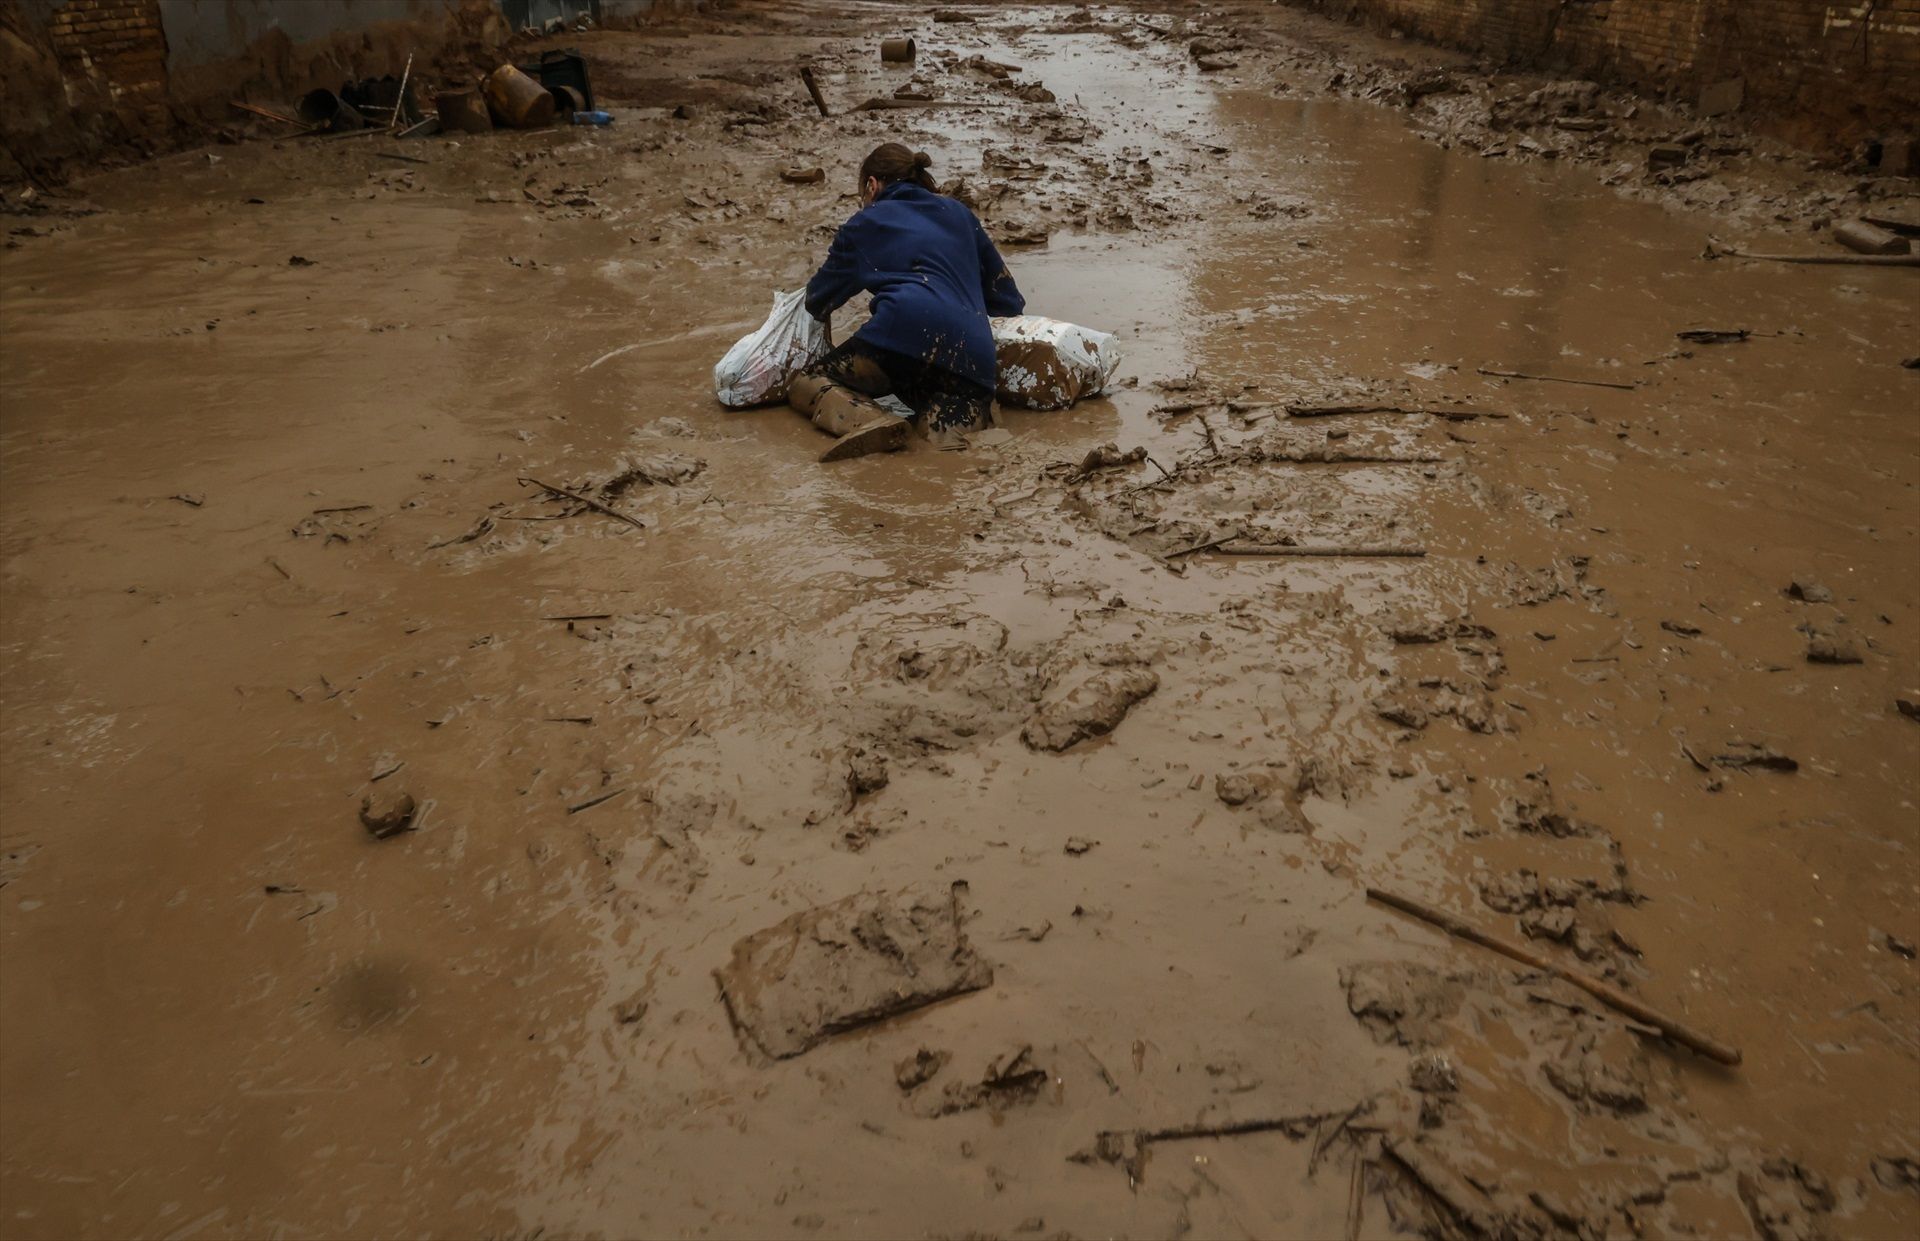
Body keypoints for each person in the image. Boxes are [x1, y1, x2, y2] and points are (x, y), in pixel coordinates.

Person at [789, 143, 1026, 461]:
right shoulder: (959, 214)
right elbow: (1008, 300)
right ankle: (939, 442)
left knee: (807, 381)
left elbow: (817, 300)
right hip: (972, 359)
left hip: (900, 336)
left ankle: (872, 421)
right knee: (944, 451)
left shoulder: (865, 224)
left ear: (872, 186)